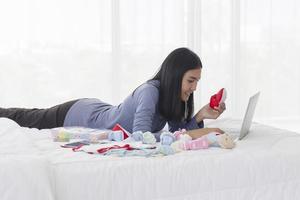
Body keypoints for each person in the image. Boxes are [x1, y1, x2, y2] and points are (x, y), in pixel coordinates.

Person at [0, 47, 226, 139]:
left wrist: (200, 116)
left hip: (98, 109)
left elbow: (176, 132)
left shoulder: (172, 98)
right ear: (175, 76)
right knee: (24, 118)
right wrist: (195, 134)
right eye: (191, 80)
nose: (194, 87)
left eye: (197, 81)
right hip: (78, 114)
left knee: (29, 115)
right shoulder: (150, 92)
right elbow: (141, 138)